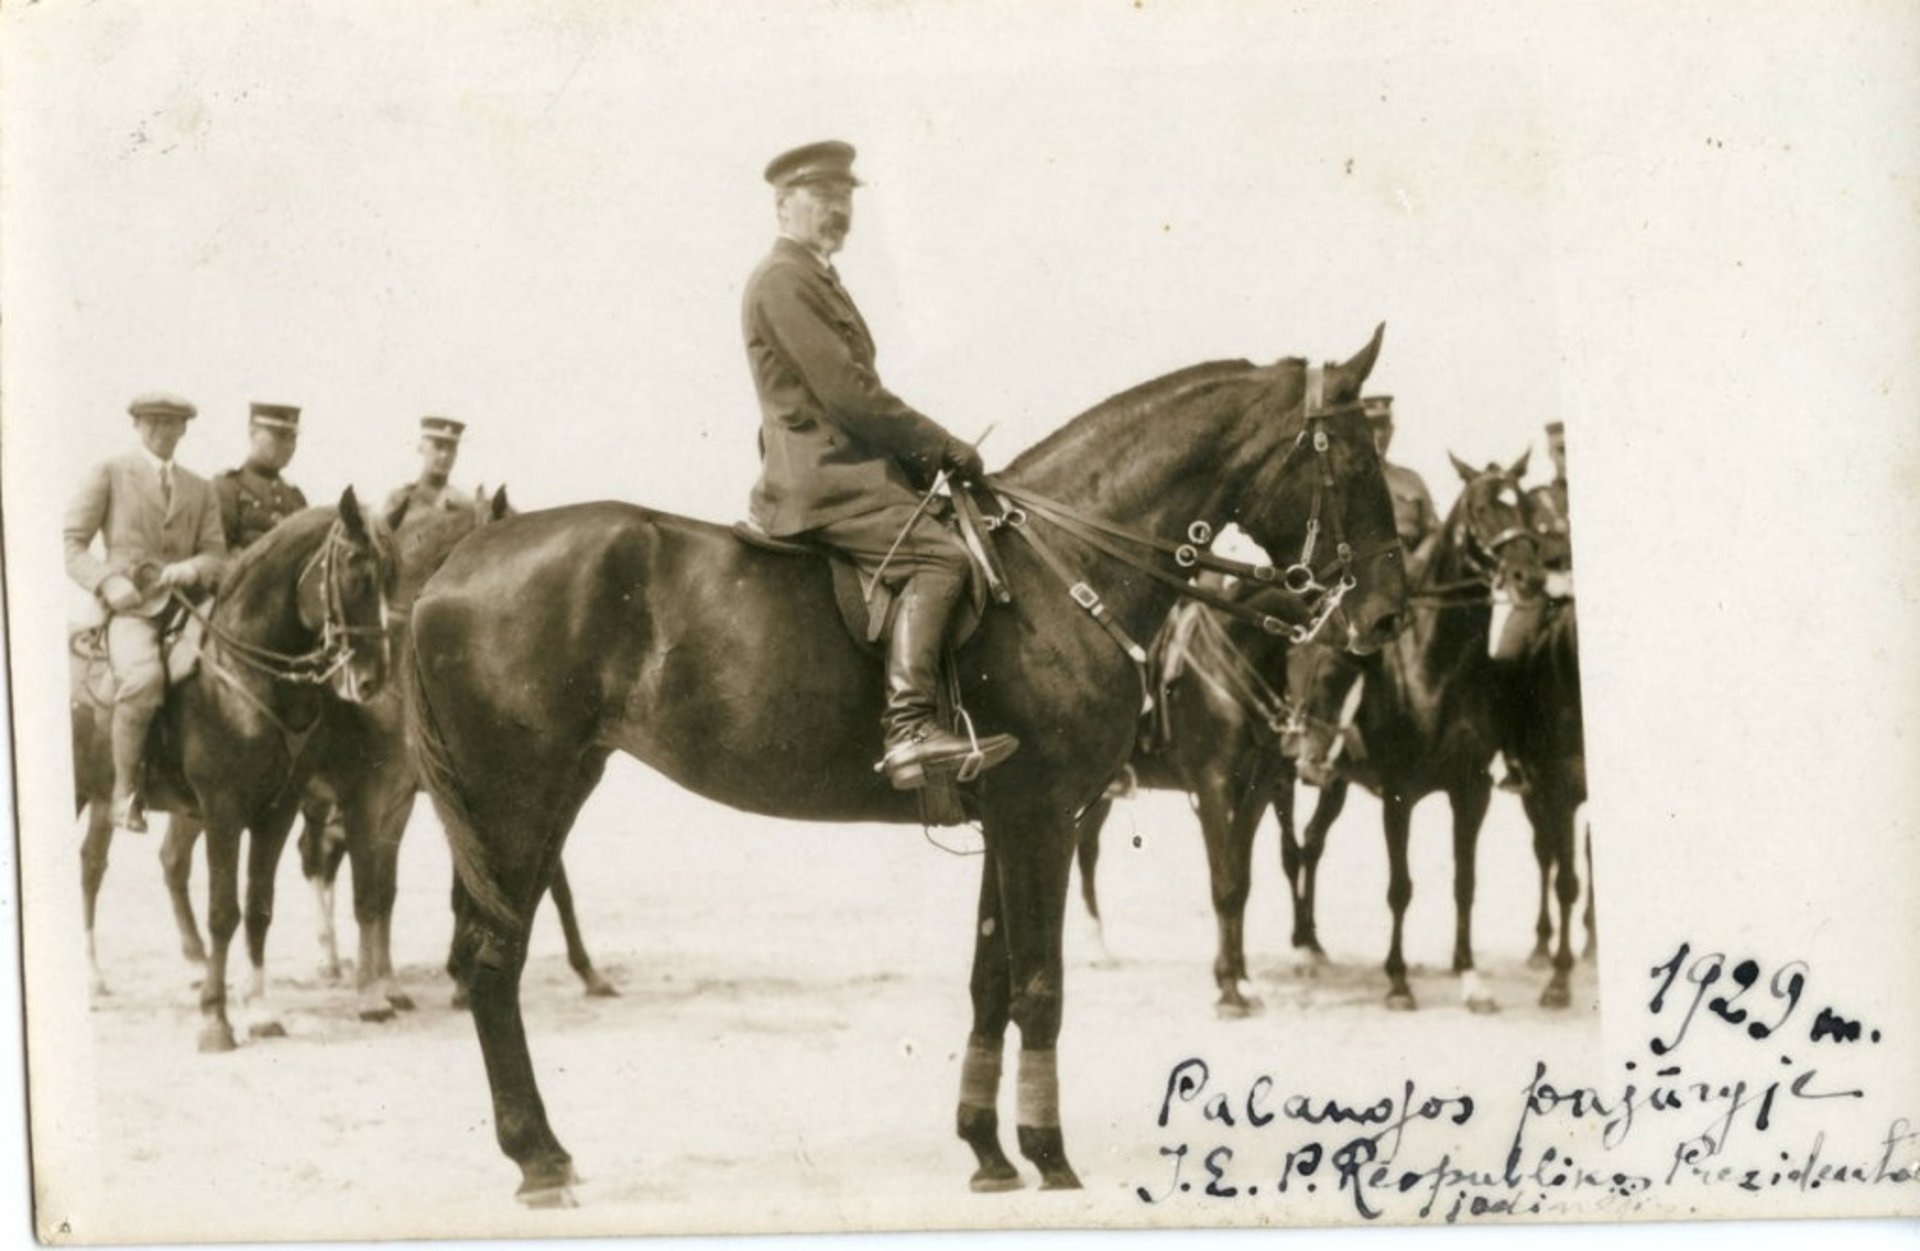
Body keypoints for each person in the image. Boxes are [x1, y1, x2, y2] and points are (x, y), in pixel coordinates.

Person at [740, 140, 1016, 790]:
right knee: (940, 557)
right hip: (824, 478)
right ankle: (911, 729)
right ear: (784, 204)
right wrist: (940, 445)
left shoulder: (814, 277)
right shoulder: (783, 279)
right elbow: (847, 395)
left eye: (845, 199)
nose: (838, 211)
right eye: (822, 198)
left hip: (843, 469)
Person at [64, 392, 228, 831]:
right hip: (130, 608)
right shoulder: (111, 472)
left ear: (183, 430)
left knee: (220, 671)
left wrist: (190, 568)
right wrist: (107, 581)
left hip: (187, 606)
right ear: (136, 426)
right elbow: (73, 545)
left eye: (171, 423)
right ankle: (124, 794)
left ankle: (206, 778)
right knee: (143, 678)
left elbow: (217, 555)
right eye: (151, 422)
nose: (161, 430)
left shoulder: (200, 487)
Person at [214, 402, 309, 550]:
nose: (288, 445)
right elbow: (217, 552)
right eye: (280, 436)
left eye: (293, 438)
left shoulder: (295, 497)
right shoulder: (226, 488)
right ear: (252, 432)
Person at [1363, 395, 1438, 550]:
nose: (1379, 434)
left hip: (1412, 564)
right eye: (1372, 426)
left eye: (1383, 426)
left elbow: (1434, 530)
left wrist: (1420, 560)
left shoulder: (1411, 480)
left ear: (1392, 431)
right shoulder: (1346, 480)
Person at [384, 416, 477, 534]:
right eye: (438, 446)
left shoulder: (465, 507)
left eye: (451, 449)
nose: (445, 455)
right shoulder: (398, 499)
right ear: (421, 448)